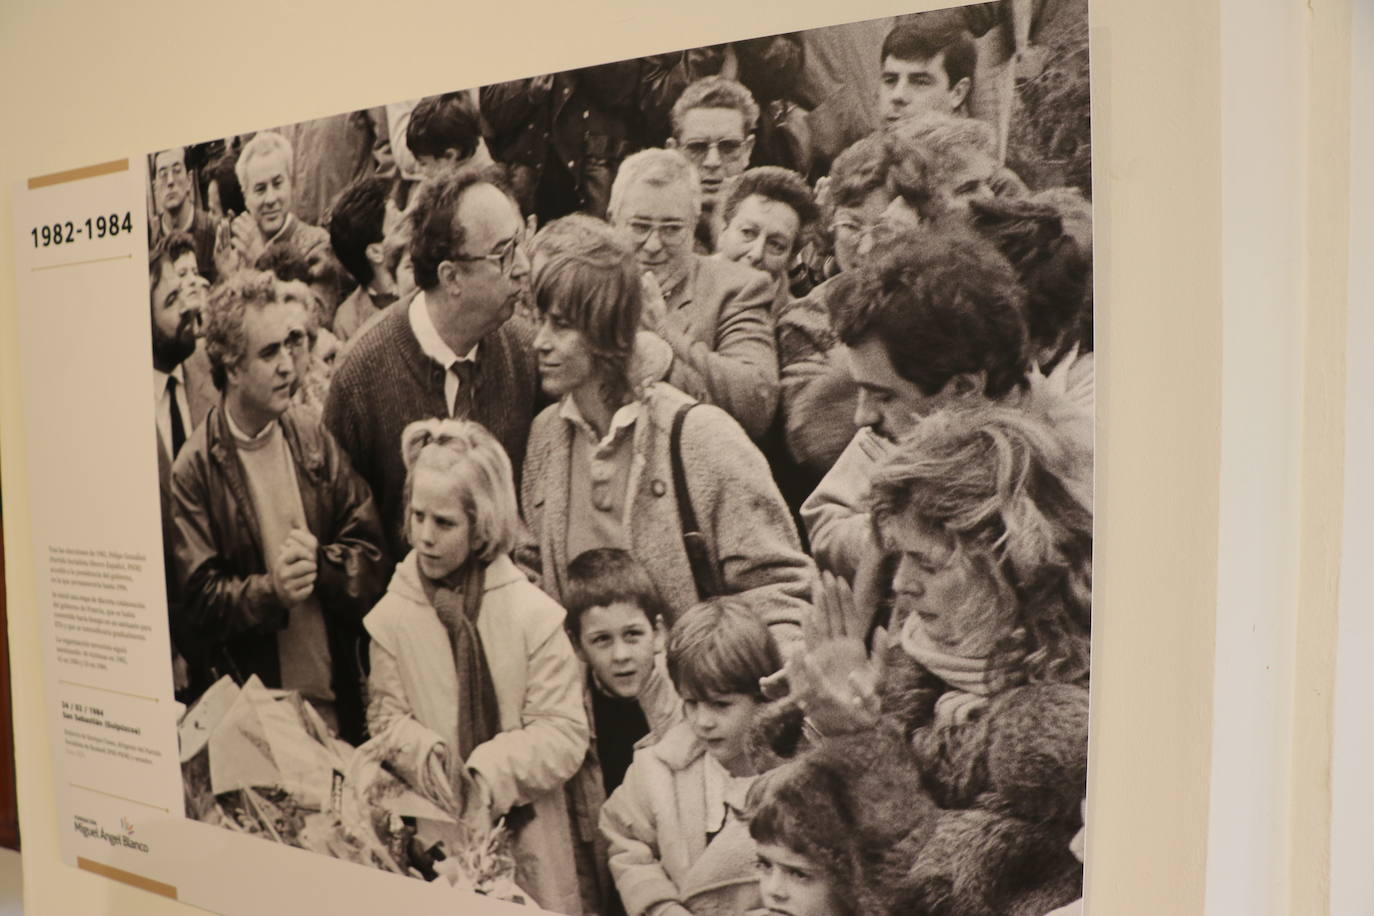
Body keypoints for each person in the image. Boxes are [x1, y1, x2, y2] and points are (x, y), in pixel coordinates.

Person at [520, 214, 813, 647]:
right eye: (542, 320)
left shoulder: (703, 437)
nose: (540, 341)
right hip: (582, 707)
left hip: (692, 704)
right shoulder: (546, 435)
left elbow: (781, 594)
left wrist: (746, 700)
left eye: (562, 325)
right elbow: (532, 573)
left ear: (608, 330)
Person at [363, 418, 588, 914]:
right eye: (417, 516)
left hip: (527, 840)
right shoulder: (393, 616)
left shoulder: (531, 614)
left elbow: (566, 733)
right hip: (435, 839)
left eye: (444, 523)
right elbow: (385, 720)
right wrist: (433, 756)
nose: (424, 536)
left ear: (481, 524)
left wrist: (488, 773)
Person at [169, 271, 390, 742]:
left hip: (334, 707)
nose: (289, 365)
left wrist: (323, 567)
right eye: (269, 353)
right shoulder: (195, 469)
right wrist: (272, 592)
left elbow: (370, 551)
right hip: (256, 723)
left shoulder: (310, 434)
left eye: (291, 345)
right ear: (231, 367)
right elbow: (197, 608)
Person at [324, 163, 539, 559]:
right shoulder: (360, 376)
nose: (524, 267)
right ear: (451, 277)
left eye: (522, 243)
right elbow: (343, 539)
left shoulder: (527, 353)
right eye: (504, 254)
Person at [800, 226, 1030, 585]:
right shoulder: (901, 425)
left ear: (965, 388)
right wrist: (893, 536)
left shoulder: (1063, 470)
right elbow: (826, 518)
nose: (862, 416)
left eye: (883, 395)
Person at [599, 597, 783, 916]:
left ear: (762, 698)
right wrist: (660, 905)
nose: (702, 721)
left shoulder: (794, 782)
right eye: (691, 703)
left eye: (721, 704)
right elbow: (626, 841)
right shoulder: (659, 768)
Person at [775, 130, 931, 485]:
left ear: (921, 227)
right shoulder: (804, 319)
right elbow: (814, 442)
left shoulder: (948, 299)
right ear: (830, 222)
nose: (865, 248)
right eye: (850, 226)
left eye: (886, 229)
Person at [608, 148, 779, 441]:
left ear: (693, 223)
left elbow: (757, 402)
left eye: (672, 229)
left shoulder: (738, 287)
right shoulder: (585, 281)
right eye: (639, 227)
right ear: (612, 220)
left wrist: (665, 333)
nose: (652, 244)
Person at [563, 548, 683, 916]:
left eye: (633, 634)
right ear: (577, 645)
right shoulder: (571, 708)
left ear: (658, 632)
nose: (620, 655)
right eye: (601, 640)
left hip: (673, 871)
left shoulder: (683, 699)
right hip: (611, 867)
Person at [481, 62, 641, 222]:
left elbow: (623, 90)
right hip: (529, 176)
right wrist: (528, 93)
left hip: (593, 170)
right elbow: (493, 113)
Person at [217, 132, 337, 311]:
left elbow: (320, 314)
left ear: (292, 185)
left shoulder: (318, 243)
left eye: (277, 183)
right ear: (246, 198)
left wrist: (262, 260)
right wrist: (227, 277)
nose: (270, 198)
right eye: (260, 189)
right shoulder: (239, 253)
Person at [714, 166, 820, 315]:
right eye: (748, 232)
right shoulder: (677, 291)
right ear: (723, 230)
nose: (756, 253)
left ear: (790, 258)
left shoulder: (794, 325)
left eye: (776, 245)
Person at [665, 76, 758, 245]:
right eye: (697, 147)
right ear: (673, 152)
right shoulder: (651, 227)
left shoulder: (768, 225)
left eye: (728, 146)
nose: (712, 162)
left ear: (747, 150)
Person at [328, 175, 401, 343]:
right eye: (398, 225)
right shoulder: (349, 323)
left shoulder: (431, 281)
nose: (408, 223)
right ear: (376, 252)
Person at [151, 146, 220, 283]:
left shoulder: (212, 230)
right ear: (155, 188)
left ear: (189, 180)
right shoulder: (150, 238)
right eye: (163, 174)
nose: (170, 181)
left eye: (176, 171)